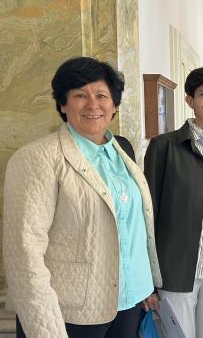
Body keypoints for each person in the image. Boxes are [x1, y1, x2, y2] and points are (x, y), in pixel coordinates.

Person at [3, 56, 161, 338]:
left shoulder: (121, 153)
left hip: (128, 303)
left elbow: (131, 228)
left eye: (101, 95)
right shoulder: (37, 158)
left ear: (114, 105)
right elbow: (23, 255)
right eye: (79, 95)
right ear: (63, 104)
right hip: (72, 312)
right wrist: (45, 328)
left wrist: (146, 287)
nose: (93, 104)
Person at [143, 66, 203, 338]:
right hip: (174, 270)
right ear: (189, 99)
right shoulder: (164, 147)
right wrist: (147, 281)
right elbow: (147, 214)